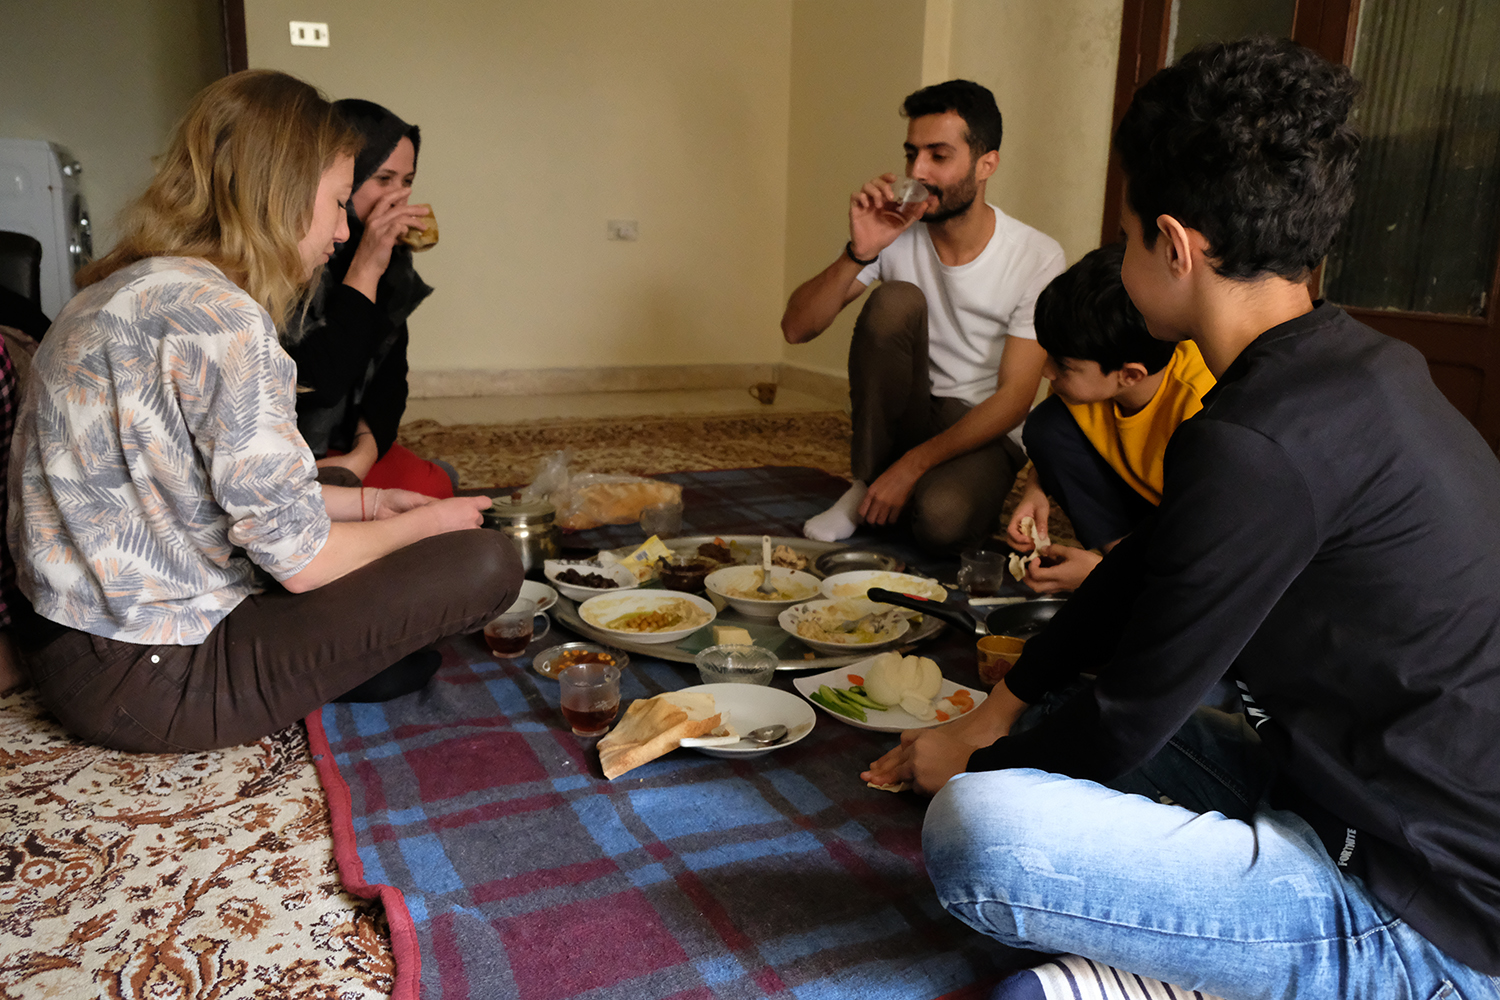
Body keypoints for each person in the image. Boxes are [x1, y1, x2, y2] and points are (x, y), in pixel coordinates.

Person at [865, 37, 1500, 999]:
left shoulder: (1261, 441)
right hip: (1329, 787)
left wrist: (982, 765)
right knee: (1054, 717)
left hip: (1419, 912)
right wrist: (999, 713)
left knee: (980, 828)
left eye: (1124, 239)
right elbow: (1137, 577)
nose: (1119, 262)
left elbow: (1129, 718)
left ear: (1174, 242)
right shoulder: (1347, 370)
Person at [6, 70, 521, 752]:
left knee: (339, 488)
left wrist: (373, 508)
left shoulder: (123, 285)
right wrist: (427, 526)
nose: (343, 230)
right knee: (486, 563)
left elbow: (210, 480)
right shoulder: (223, 319)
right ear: (280, 195)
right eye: (339, 203)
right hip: (150, 681)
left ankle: (357, 645)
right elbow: (303, 563)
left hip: (71, 643)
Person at [782, 80, 1065, 551]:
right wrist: (860, 250)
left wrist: (913, 466)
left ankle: (910, 487)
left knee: (939, 521)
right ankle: (865, 484)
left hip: (984, 426)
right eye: (912, 154)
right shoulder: (898, 232)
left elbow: (1016, 399)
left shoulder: (1036, 255)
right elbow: (796, 328)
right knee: (895, 300)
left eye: (938, 155)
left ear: (986, 163)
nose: (918, 171)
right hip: (911, 410)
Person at [1005, 243, 1214, 593]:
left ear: (1129, 375)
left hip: (1185, 522)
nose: (1046, 371)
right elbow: (1058, 436)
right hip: (1136, 496)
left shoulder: (1201, 408)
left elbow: (1211, 552)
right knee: (1047, 426)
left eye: (1063, 365)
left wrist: (1104, 577)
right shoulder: (1087, 374)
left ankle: (1124, 576)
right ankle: (1117, 558)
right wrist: (1035, 490)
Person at [286, 99, 455, 498]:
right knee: (429, 491)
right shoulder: (300, 257)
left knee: (436, 481)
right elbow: (316, 384)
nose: (398, 197)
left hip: (346, 447)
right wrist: (365, 268)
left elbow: (390, 379)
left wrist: (362, 456)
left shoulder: (391, 262)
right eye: (383, 178)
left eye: (407, 181)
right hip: (291, 449)